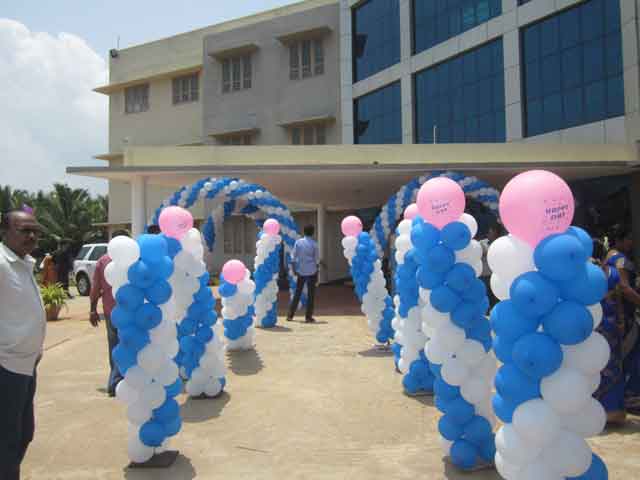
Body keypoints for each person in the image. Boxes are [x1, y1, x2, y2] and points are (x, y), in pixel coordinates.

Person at [0, 209, 46, 480]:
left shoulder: (23, 262)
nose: (31, 236)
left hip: (26, 365)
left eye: (35, 231)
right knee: (7, 438)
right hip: (6, 367)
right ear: (4, 232)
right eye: (24, 230)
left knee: (23, 433)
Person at [594, 225, 640, 425]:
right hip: (613, 320)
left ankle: (615, 405)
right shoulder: (618, 261)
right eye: (628, 238)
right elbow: (624, 288)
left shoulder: (607, 264)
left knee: (614, 362)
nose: (631, 243)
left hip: (612, 320)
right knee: (621, 360)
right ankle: (628, 398)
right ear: (619, 240)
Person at [89, 231, 128, 397]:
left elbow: (95, 288)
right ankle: (119, 382)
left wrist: (92, 309)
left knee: (115, 346)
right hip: (130, 311)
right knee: (128, 345)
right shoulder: (133, 258)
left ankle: (115, 382)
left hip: (110, 311)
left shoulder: (103, 260)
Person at [287, 224, 319, 323]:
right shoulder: (314, 244)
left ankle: (290, 315)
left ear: (304, 232)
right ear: (313, 233)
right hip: (312, 271)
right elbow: (316, 260)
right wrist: (317, 272)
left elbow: (293, 257)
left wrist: (294, 270)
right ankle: (308, 317)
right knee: (311, 295)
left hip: (301, 271)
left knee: (297, 293)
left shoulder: (298, 242)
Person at [479, 222, 501, 308]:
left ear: (495, 233)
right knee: (485, 297)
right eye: (488, 232)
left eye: (490, 232)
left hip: (495, 276)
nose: (488, 234)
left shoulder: (500, 243)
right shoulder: (482, 243)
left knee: (495, 298)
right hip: (484, 276)